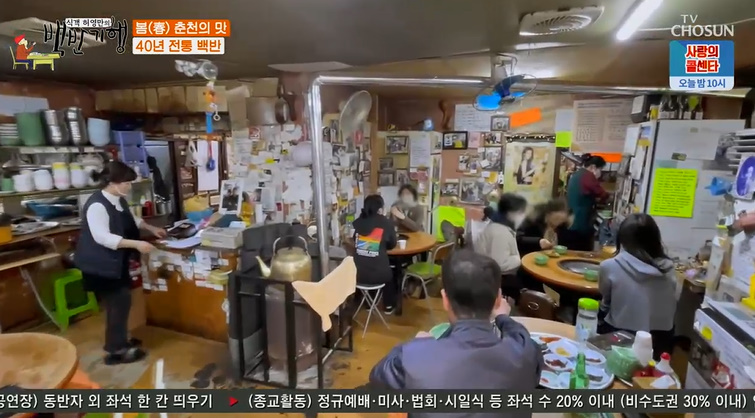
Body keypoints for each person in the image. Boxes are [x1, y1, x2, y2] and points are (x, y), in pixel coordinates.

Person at [369, 250, 543, 397]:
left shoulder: (412, 358)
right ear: (498, 299)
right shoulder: (525, 352)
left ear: (445, 299)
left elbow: (378, 379)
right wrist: (503, 318)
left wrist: (412, 346)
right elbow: (522, 339)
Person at [75, 161, 167, 365]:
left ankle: (120, 339)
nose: (129, 187)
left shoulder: (118, 199)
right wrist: (137, 244)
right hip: (100, 264)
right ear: (112, 182)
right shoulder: (97, 205)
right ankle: (116, 350)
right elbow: (103, 237)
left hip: (116, 261)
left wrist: (151, 228)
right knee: (118, 303)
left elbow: (132, 219)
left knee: (122, 302)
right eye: (126, 183)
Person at [597, 213, 677, 360]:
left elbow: (605, 297)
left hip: (621, 334)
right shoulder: (669, 268)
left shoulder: (610, 266)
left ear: (622, 239)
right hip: (661, 339)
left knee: (600, 314)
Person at [474, 193, 527, 302]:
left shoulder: (500, 225)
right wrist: (520, 259)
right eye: (521, 212)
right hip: (491, 278)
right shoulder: (501, 232)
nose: (523, 216)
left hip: (488, 273)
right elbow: (500, 265)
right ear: (510, 213)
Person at [353, 194, 399, 313]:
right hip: (379, 275)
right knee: (390, 271)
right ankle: (388, 306)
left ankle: (369, 303)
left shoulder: (359, 222)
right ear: (380, 209)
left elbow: (355, 239)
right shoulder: (385, 223)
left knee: (369, 263)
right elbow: (392, 244)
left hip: (357, 275)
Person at [515, 199, 570, 292]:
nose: (558, 223)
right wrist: (538, 242)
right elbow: (518, 239)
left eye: (561, 220)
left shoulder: (562, 226)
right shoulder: (532, 222)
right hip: (530, 262)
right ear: (548, 214)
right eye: (556, 219)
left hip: (552, 263)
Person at [566, 153, 609, 251]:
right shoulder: (588, 176)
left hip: (572, 220)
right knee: (582, 252)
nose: (600, 173)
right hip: (581, 222)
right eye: (600, 169)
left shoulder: (576, 175)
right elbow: (603, 194)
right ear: (593, 167)